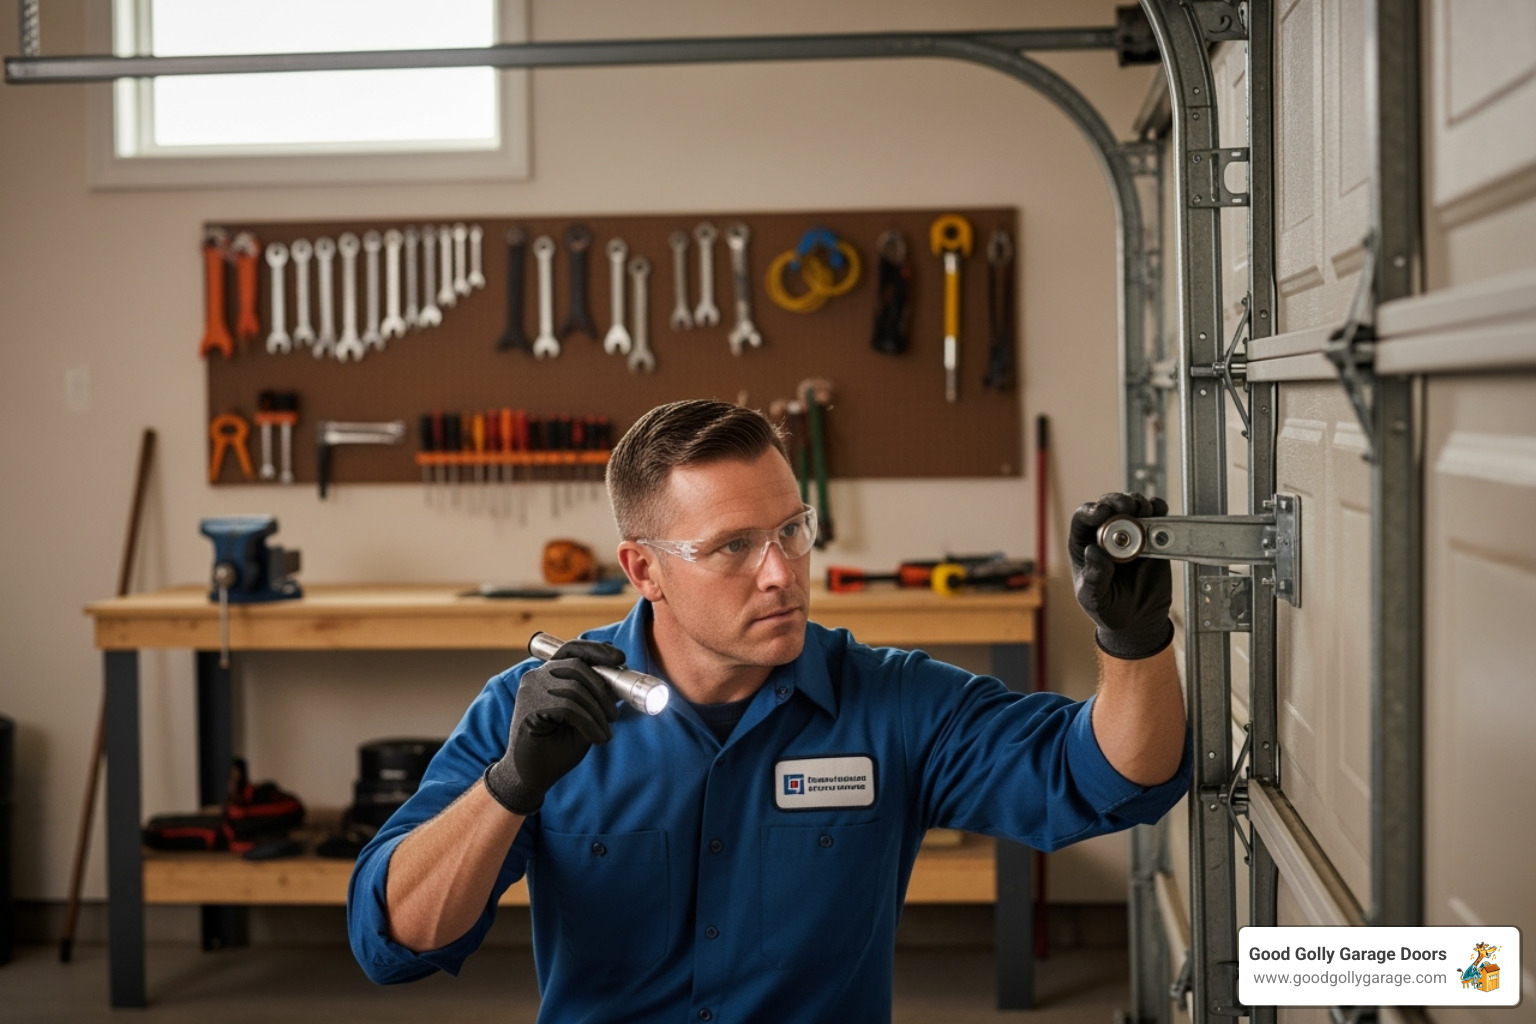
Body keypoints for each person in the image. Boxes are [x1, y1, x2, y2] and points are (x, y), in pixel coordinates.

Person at [348, 399, 1190, 1022]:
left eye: (793, 531)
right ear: (644, 569)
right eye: (733, 547)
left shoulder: (892, 703)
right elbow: (395, 942)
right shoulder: (537, 717)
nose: (782, 572)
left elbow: (1113, 781)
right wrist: (508, 788)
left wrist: (1136, 639)